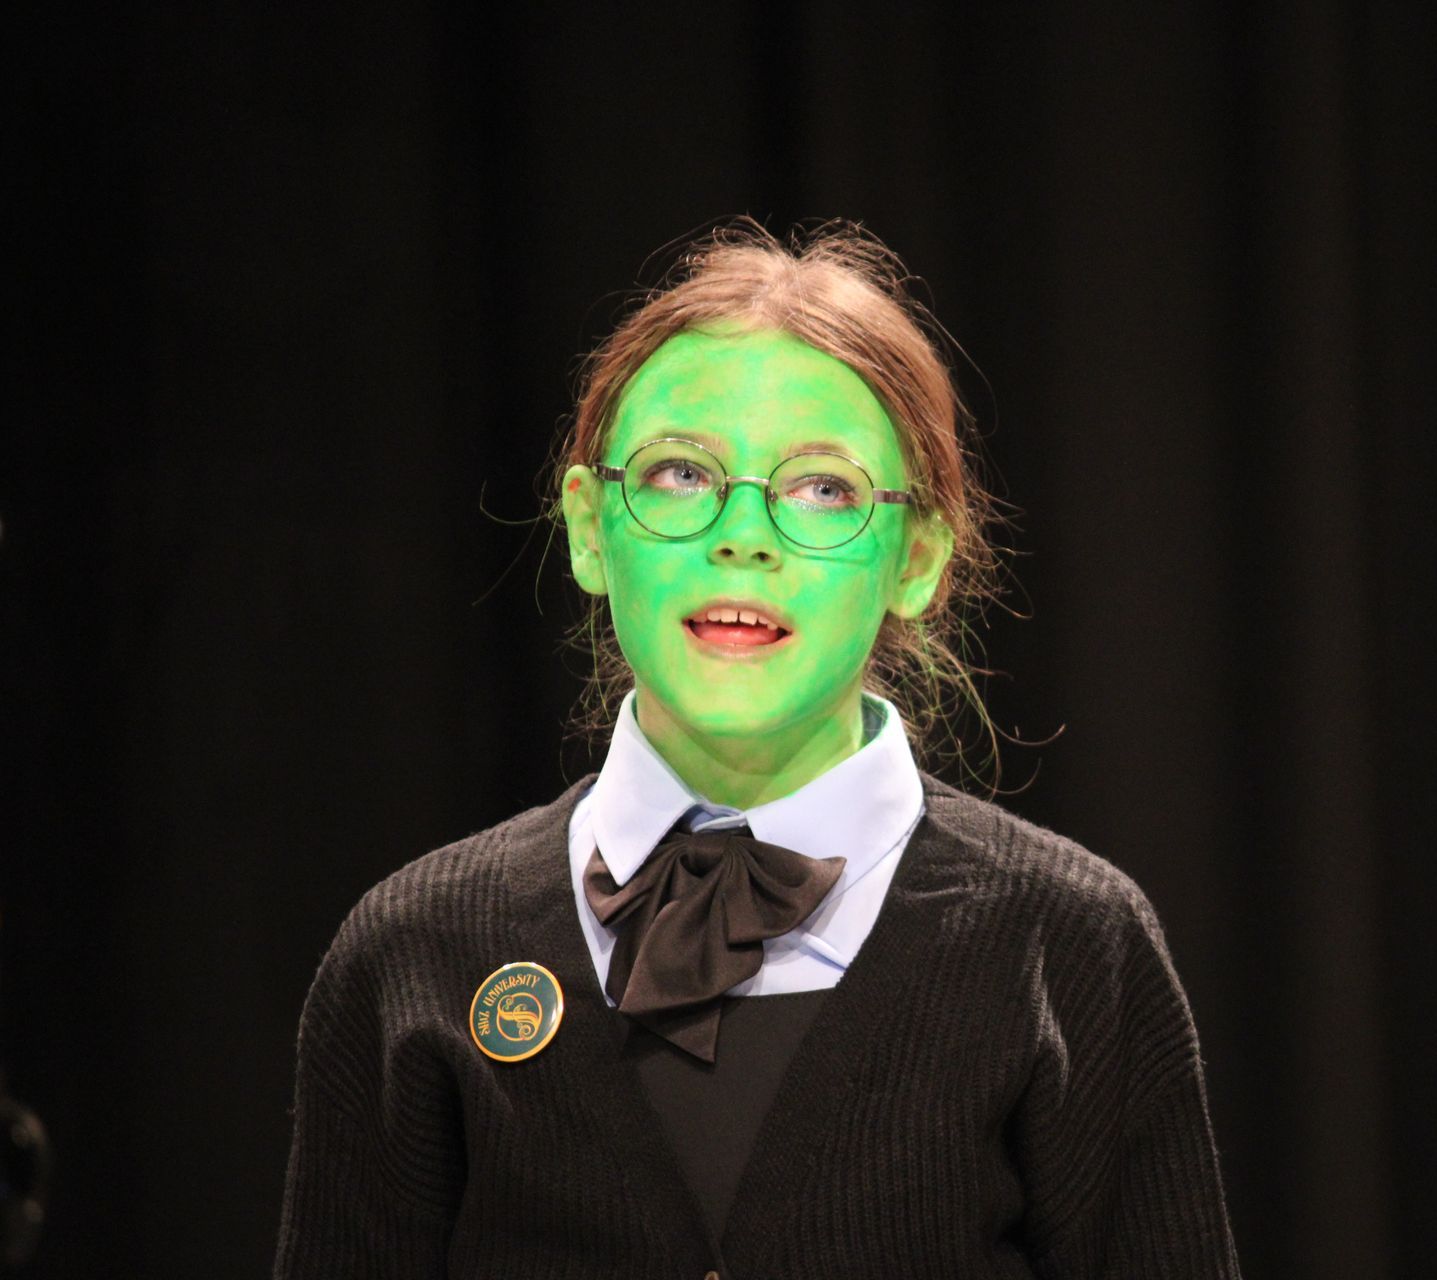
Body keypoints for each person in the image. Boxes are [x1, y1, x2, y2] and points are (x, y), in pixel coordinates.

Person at [274, 221, 1242, 1278]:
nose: (744, 535)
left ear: (917, 556)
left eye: (821, 488)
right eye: (682, 473)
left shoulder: (1069, 947)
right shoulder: (412, 951)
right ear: (590, 527)